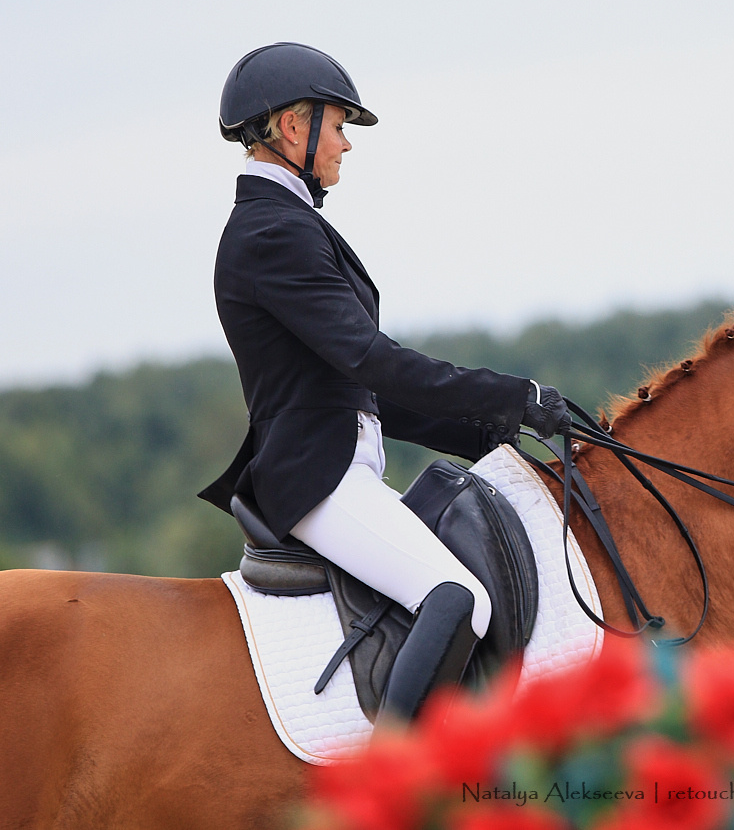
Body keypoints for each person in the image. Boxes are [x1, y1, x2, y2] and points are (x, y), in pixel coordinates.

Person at [199, 42, 570, 724]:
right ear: (291, 127)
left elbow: (364, 394)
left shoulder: (288, 223)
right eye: (337, 125)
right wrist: (513, 394)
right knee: (456, 596)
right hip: (315, 479)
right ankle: (399, 786)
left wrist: (494, 431)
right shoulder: (271, 231)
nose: (345, 144)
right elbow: (375, 361)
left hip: (343, 469)